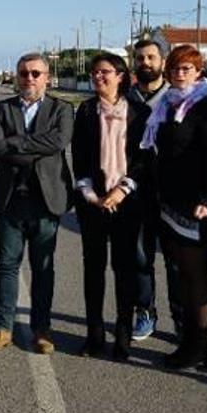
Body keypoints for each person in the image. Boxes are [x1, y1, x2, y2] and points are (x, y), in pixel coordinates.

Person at [0, 52, 73, 355]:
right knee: (7, 266)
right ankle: (3, 328)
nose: (29, 79)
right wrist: (31, 145)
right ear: (17, 77)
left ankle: (41, 330)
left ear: (47, 77)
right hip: (11, 201)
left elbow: (58, 142)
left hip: (47, 202)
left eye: (35, 73)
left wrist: (14, 142)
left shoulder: (62, 109)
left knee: (43, 269)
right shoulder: (1, 109)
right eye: (24, 73)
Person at [140, 44, 207, 369]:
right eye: (175, 68)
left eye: (186, 68)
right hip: (168, 201)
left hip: (193, 205)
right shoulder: (166, 104)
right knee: (181, 273)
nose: (179, 73)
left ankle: (198, 344)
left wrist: (206, 200)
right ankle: (195, 342)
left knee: (195, 275)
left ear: (198, 72)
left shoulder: (204, 107)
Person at [72, 53, 152, 360]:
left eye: (105, 72)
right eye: (94, 72)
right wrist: (91, 194)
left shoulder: (140, 112)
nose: (98, 77)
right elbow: (78, 155)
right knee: (93, 270)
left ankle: (122, 338)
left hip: (127, 202)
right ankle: (94, 337)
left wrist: (122, 191)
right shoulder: (86, 111)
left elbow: (145, 159)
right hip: (92, 202)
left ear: (121, 76)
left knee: (125, 271)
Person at [127, 39, 183, 342]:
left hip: (172, 196)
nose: (145, 62)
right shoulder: (126, 99)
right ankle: (145, 312)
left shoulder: (178, 100)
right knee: (139, 258)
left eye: (151, 57)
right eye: (140, 58)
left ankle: (181, 319)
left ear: (163, 61)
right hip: (136, 192)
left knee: (175, 262)